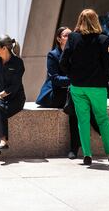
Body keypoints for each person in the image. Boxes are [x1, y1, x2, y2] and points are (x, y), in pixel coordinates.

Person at [60, 9, 109, 166]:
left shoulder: (72, 38)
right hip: (97, 87)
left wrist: (72, 75)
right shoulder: (103, 40)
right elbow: (108, 65)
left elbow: (63, 62)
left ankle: (87, 155)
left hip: (78, 86)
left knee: (83, 120)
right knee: (103, 119)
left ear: (80, 20)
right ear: (96, 21)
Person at [35, 26, 100, 159]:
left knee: (78, 101)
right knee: (75, 104)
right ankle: (94, 130)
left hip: (71, 92)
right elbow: (55, 79)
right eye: (66, 36)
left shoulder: (76, 53)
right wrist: (74, 79)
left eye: (71, 35)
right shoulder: (53, 55)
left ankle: (75, 148)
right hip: (56, 93)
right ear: (59, 39)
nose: (70, 38)